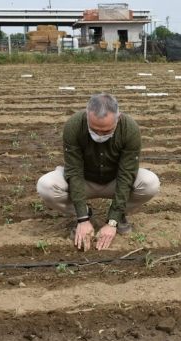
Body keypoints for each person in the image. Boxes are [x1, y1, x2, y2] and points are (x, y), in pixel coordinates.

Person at [37, 93, 160, 251]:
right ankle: (86, 214)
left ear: (118, 118)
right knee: (46, 186)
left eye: (107, 131)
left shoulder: (130, 129)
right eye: (94, 130)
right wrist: (82, 218)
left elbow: (126, 175)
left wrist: (112, 222)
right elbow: (74, 172)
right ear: (87, 116)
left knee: (150, 183)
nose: (100, 135)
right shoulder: (74, 125)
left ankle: (117, 214)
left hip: (114, 180)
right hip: (84, 180)